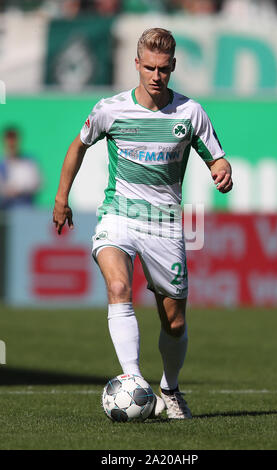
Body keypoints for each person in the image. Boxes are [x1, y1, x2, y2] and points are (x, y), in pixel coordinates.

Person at [53, 28, 233, 419]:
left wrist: (222, 170)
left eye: (164, 69)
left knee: (174, 320)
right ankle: (135, 381)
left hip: (165, 225)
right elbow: (79, 145)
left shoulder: (190, 113)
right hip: (118, 215)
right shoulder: (110, 109)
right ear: (136, 65)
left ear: (173, 67)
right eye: (149, 67)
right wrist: (61, 197)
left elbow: (216, 157)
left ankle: (169, 387)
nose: (156, 76)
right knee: (118, 285)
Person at [0, 127, 41, 209]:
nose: (11, 144)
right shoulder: (2, 165)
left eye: (13, 140)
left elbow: (38, 183)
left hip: (25, 206)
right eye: (9, 141)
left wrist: (20, 189)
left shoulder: (29, 162)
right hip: (5, 209)